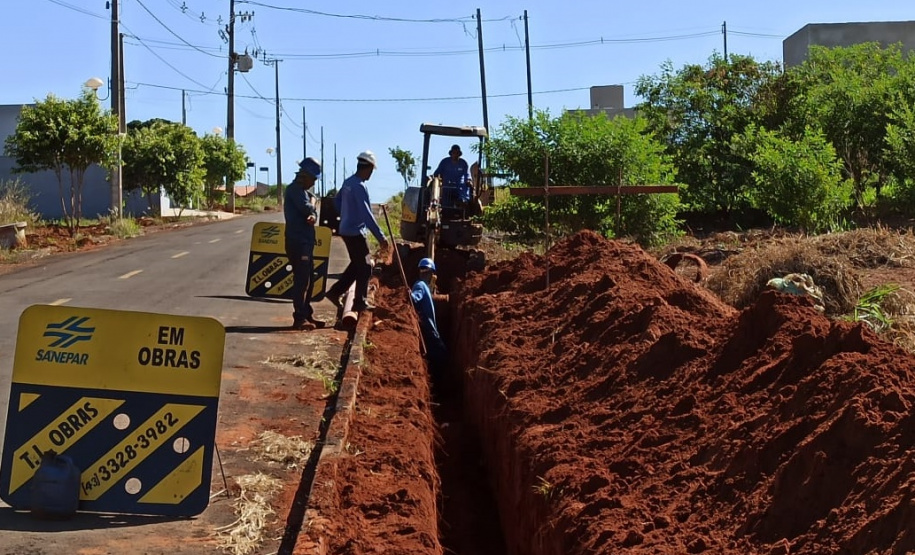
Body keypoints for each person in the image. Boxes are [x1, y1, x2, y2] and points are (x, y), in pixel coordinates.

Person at [325, 150, 389, 313]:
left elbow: (337, 202)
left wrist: (346, 214)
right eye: (371, 171)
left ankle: (335, 292)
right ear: (367, 168)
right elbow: (367, 215)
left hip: (346, 230)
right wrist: (381, 237)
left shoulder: (348, 183)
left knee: (357, 265)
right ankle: (359, 302)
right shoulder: (359, 186)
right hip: (355, 232)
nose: (371, 175)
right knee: (366, 266)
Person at [284, 157, 326, 330]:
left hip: (306, 242)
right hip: (298, 241)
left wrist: (313, 210)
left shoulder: (304, 193)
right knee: (302, 280)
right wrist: (313, 207)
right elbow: (307, 208)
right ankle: (299, 317)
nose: (313, 182)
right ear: (305, 175)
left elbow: (311, 213)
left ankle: (307, 313)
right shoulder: (295, 190)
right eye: (313, 179)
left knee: (309, 278)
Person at [411, 257, 449, 375]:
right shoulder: (421, 285)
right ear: (431, 273)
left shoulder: (424, 286)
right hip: (429, 329)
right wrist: (409, 294)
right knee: (442, 354)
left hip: (429, 328)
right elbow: (414, 298)